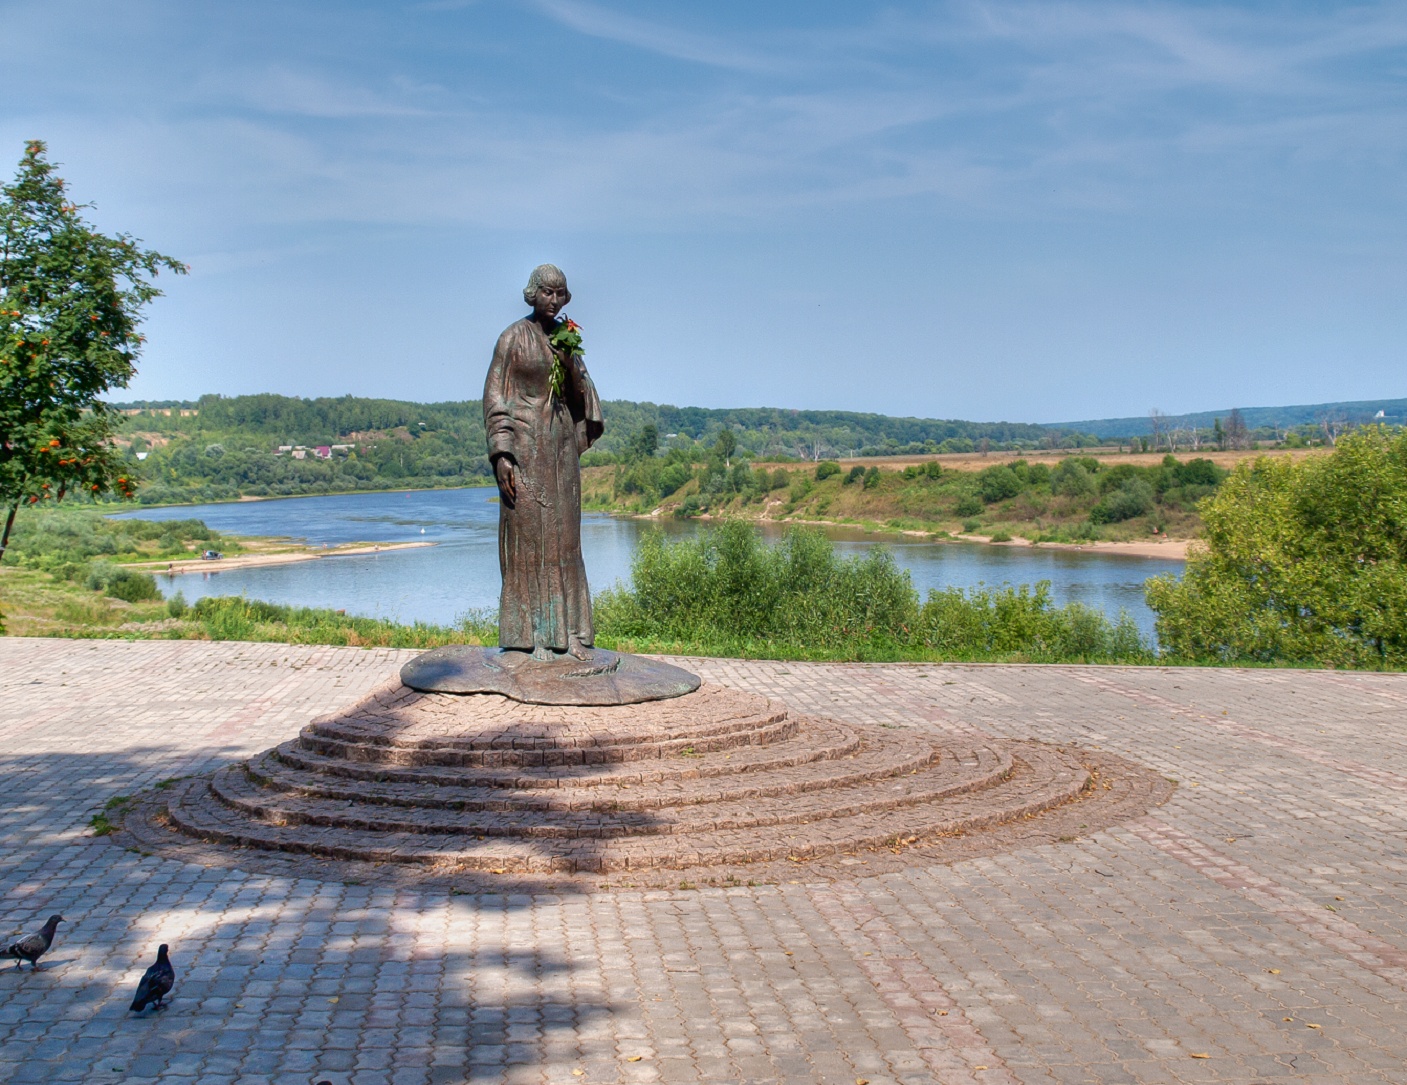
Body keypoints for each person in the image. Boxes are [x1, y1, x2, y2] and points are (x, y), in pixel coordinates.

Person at [484, 265, 603, 661]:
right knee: (528, 540)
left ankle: (570, 633)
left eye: (560, 294)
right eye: (547, 293)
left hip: (561, 452)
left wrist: (570, 364)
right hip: (524, 450)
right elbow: (495, 399)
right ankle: (523, 638)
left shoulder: (567, 338)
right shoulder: (512, 338)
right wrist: (502, 453)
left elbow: (582, 395)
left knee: (565, 539)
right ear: (532, 294)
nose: (553, 301)